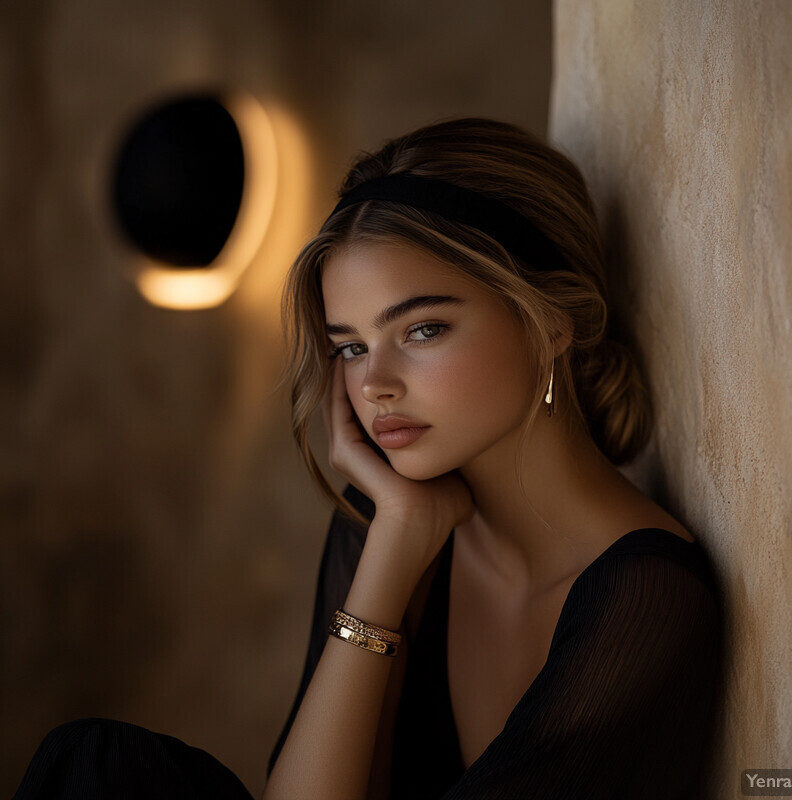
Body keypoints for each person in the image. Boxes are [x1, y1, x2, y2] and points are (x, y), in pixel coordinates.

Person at [14, 118, 722, 800]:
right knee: (92, 764)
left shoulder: (649, 596)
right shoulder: (385, 525)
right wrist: (396, 544)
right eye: (350, 346)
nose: (374, 383)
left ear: (551, 321)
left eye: (421, 328)